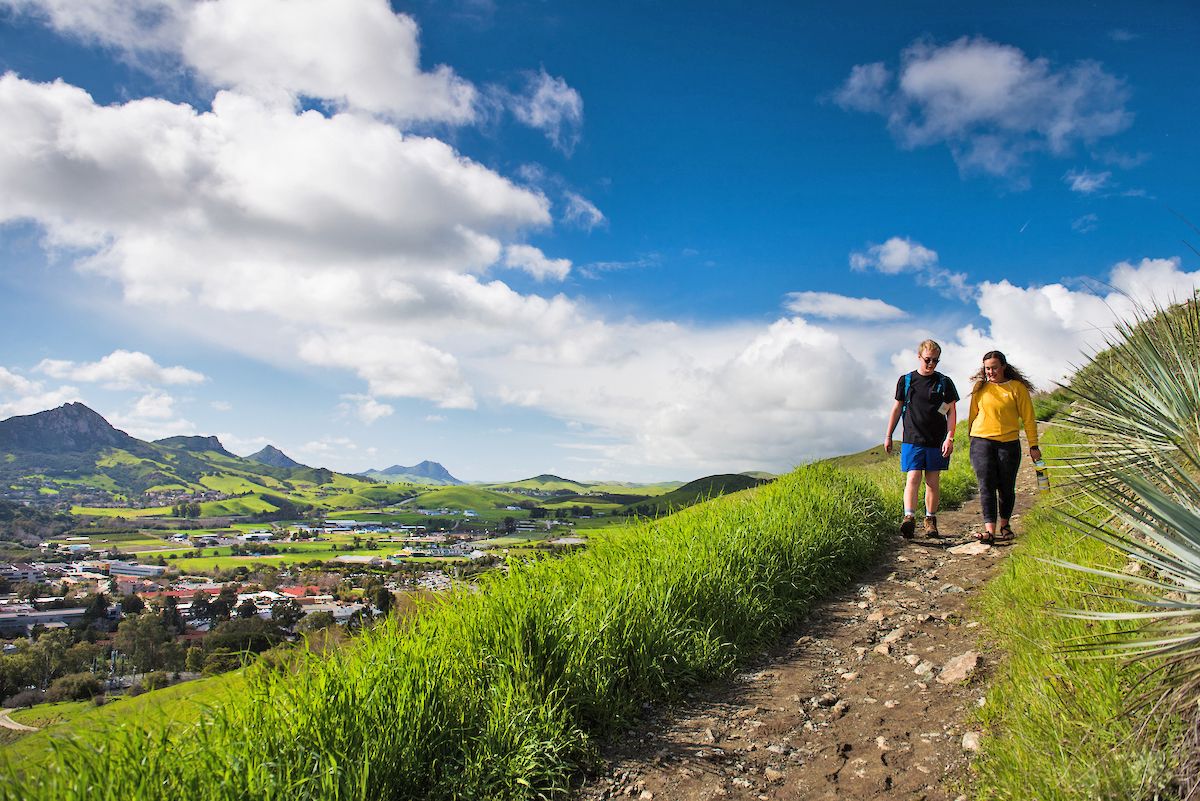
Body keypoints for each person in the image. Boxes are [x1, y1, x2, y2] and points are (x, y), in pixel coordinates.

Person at [884, 339, 959, 539]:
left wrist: (949, 437)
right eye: (928, 359)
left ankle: (930, 520)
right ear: (919, 357)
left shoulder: (944, 382)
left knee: (932, 481)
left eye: (935, 360)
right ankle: (909, 518)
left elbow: (951, 411)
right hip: (912, 438)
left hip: (936, 440)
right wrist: (889, 434)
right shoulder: (906, 381)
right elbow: (897, 408)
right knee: (913, 477)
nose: (931, 364)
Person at [967, 350, 1040, 544]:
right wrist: (970, 440)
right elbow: (973, 414)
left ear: (1003, 367)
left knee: (1007, 487)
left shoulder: (1017, 388)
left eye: (994, 368)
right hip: (981, 440)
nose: (990, 372)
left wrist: (1034, 445)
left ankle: (1005, 525)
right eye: (987, 368)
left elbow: (1028, 418)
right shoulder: (980, 387)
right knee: (986, 484)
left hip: (1008, 442)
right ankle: (989, 530)